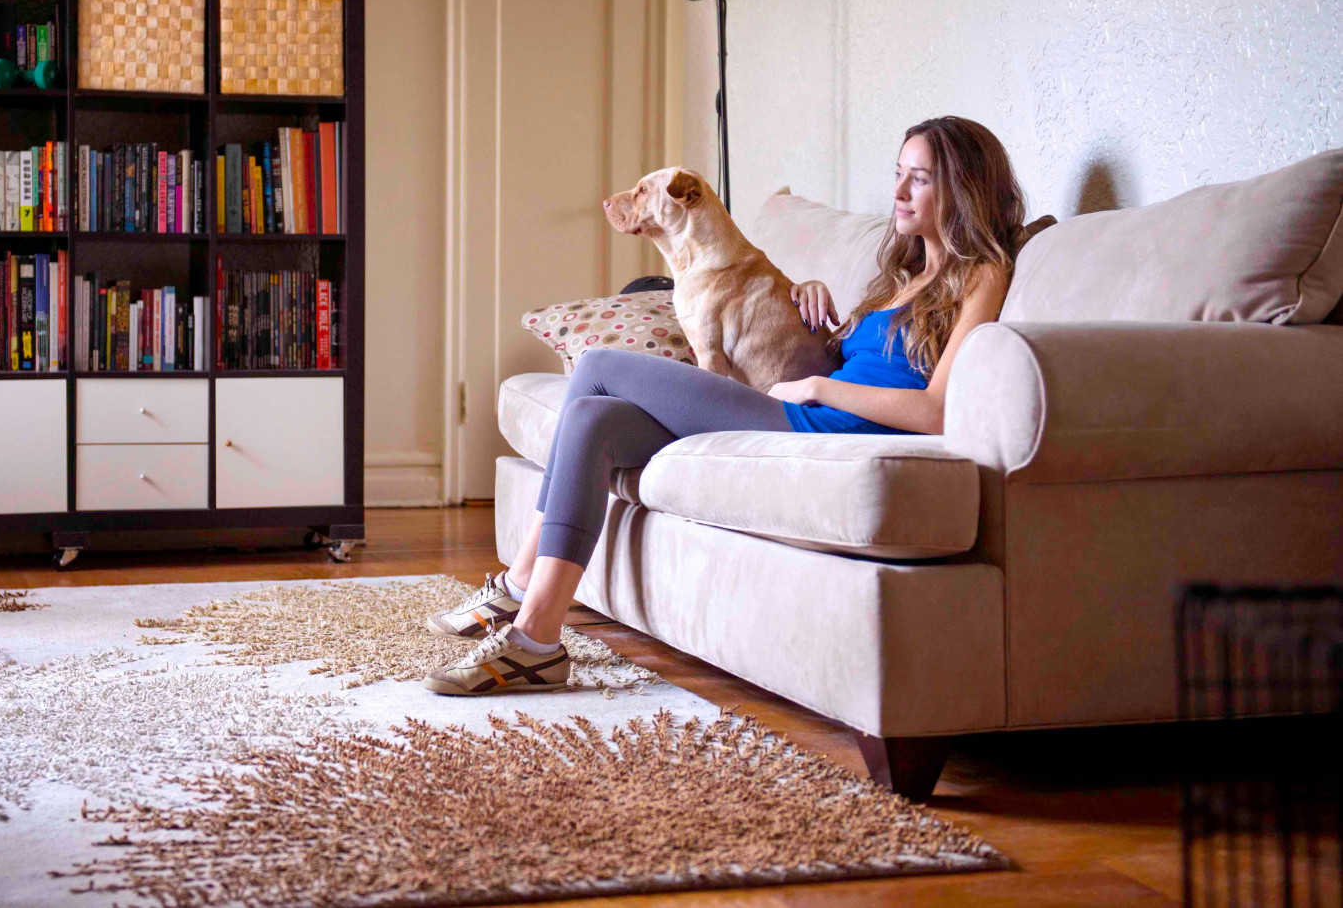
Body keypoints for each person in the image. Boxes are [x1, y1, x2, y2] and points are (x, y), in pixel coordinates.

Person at [420, 115, 1028, 695]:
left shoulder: (983, 276)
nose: (897, 190)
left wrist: (819, 390)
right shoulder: (903, 273)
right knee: (592, 416)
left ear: (964, 189)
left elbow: (939, 408)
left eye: (918, 178)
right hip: (800, 408)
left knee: (601, 367)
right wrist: (811, 301)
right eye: (898, 171)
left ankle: (520, 586)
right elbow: (842, 357)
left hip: (810, 426)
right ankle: (537, 642)